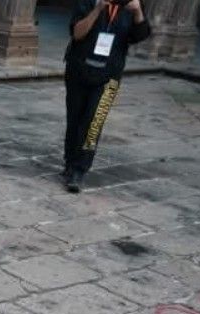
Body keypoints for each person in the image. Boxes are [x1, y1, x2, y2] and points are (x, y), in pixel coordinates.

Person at [62, 0, 151, 193]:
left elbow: (141, 35)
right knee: (75, 119)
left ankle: (79, 170)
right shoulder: (87, 3)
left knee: (94, 123)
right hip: (78, 70)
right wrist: (98, 9)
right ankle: (69, 163)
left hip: (109, 76)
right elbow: (77, 33)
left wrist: (137, 12)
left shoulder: (130, 6)